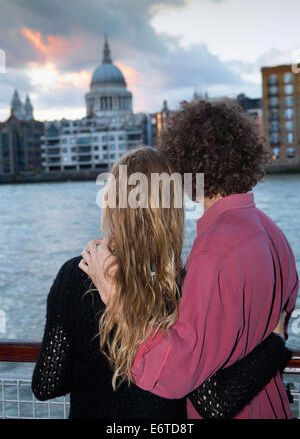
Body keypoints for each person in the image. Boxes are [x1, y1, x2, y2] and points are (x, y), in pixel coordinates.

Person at [32, 147, 286, 420]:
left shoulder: (77, 273)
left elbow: (47, 384)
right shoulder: (179, 288)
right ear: (170, 211)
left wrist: (94, 360)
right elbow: (213, 403)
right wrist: (275, 342)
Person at [83, 101, 299, 419]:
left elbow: (175, 374)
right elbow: (281, 316)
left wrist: (115, 295)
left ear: (186, 168)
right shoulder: (270, 230)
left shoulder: (212, 251)